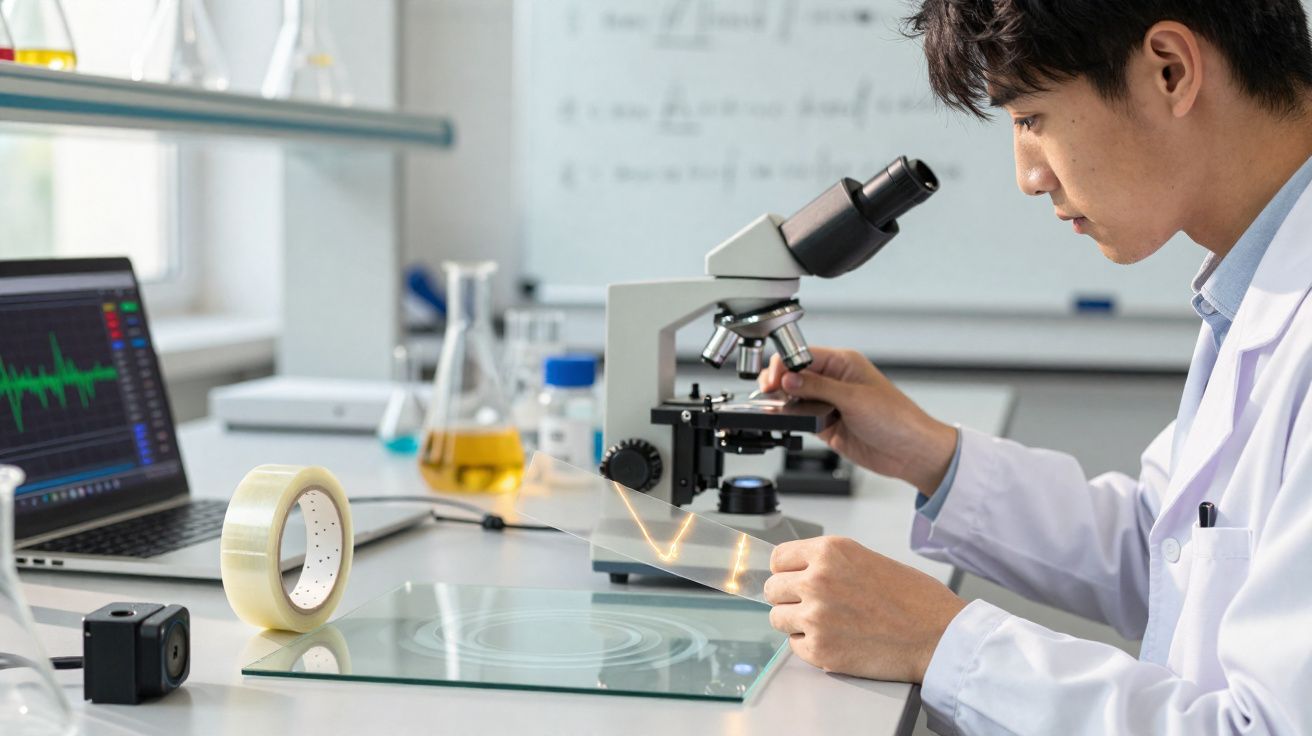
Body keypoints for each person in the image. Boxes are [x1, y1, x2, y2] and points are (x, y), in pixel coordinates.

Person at [758, 1, 1312, 733]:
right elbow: (1172, 552)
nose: (1028, 176)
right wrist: (930, 454)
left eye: (1029, 117)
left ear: (1169, 71)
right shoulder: (1253, 286)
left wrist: (939, 641)